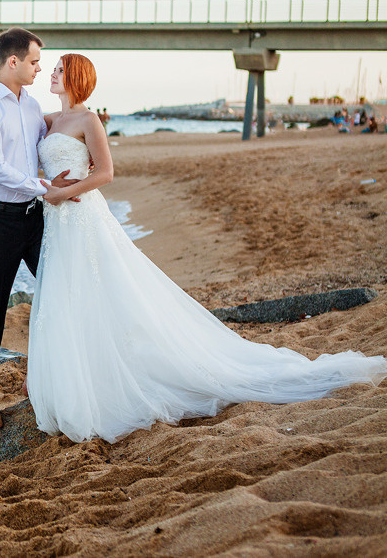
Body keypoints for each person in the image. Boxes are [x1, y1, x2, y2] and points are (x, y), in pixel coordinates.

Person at [26, 53, 387, 443]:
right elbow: (16, 124)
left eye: (60, 69)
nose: (51, 73)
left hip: (82, 218)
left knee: (104, 291)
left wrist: (64, 194)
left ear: (76, 76)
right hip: (58, 224)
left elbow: (107, 172)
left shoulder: (88, 119)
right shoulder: (48, 120)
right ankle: (82, 375)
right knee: (68, 297)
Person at [0, 27, 80, 430]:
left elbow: (55, 136)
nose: (39, 68)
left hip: (34, 217)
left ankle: (40, 373)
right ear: (12, 61)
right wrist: (46, 187)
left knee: (55, 289)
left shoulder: (32, 107)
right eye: (34, 61)